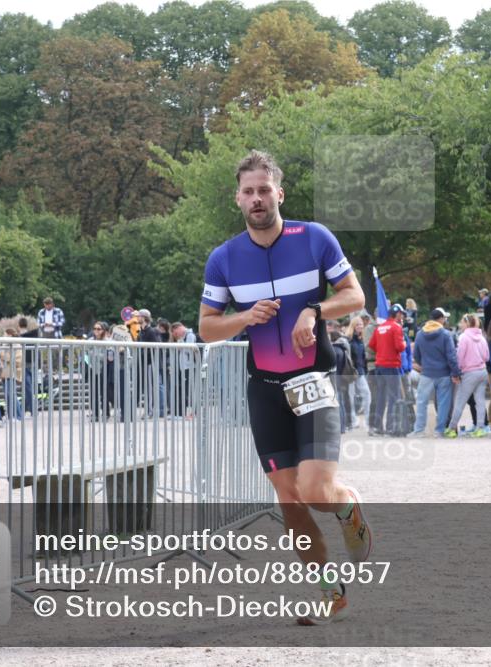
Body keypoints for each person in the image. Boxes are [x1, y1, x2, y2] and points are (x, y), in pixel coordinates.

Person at [197, 150, 370, 625]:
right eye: (248, 191)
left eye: (264, 190)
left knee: (315, 490)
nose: (257, 199)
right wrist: (244, 317)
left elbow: (355, 296)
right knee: (289, 499)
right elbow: (207, 328)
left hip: (312, 380)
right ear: (238, 198)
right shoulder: (225, 258)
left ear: (280, 193)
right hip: (265, 388)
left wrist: (314, 309)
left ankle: (346, 504)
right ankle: (329, 591)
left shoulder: (313, 238)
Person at [410, 307, 460, 437]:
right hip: (443, 373)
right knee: (443, 403)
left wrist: (424, 365)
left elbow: (416, 354)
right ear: (441, 319)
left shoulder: (420, 334)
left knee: (422, 402)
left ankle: (419, 430)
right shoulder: (445, 334)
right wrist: (455, 373)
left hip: (426, 373)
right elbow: (451, 356)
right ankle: (439, 430)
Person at [445, 314, 490, 438]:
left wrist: (456, 373)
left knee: (460, 401)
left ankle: (452, 428)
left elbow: (459, 357)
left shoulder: (464, 337)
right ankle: (481, 428)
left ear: (467, 323)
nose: (460, 324)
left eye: (461, 321)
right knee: (480, 401)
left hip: (469, 373)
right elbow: (487, 357)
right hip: (482, 371)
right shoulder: (482, 337)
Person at [368, 304, 407, 436]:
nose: (402, 316)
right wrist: (405, 344)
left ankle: (378, 427)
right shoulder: (396, 327)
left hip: (379, 365)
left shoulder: (380, 327)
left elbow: (371, 344)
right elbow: (400, 347)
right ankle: (391, 427)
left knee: (380, 397)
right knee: (393, 398)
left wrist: (383, 351)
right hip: (391, 366)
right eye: (401, 314)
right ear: (397, 314)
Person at [345, 318, 371, 429]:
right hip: (351, 373)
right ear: (353, 326)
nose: (360, 326)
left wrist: (364, 369)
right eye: (358, 324)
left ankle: (368, 420)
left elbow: (363, 357)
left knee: (367, 394)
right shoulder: (348, 340)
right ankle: (353, 420)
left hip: (360, 372)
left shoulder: (361, 339)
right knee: (350, 397)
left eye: (361, 324)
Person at [171, 322, 198, 419]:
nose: (176, 336)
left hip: (190, 367)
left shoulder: (189, 336)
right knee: (188, 391)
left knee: (191, 391)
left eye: (175, 333)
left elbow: (189, 350)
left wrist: (180, 344)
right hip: (186, 367)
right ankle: (192, 412)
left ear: (179, 328)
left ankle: (193, 413)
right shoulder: (185, 336)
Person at [0, 328, 24, 420]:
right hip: (5, 373)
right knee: (7, 395)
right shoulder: (4, 345)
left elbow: (17, 359)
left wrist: (5, 357)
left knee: (11, 394)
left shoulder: (16, 345)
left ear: (9, 335)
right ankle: (11, 415)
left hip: (12, 372)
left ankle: (18, 415)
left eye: (4, 333)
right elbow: (1, 356)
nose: (3, 335)